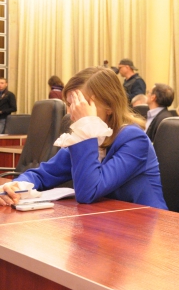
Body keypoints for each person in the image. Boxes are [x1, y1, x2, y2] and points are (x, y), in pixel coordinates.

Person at [0, 67, 167, 209]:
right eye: (70, 104)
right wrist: (15, 187)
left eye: (82, 104)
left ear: (110, 106)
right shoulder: (85, 136)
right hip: (104, 221)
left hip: (143, 225)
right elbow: (43, 174)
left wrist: (87, 126)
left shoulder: (134, 139)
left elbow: (88, 192)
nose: (73, 113)